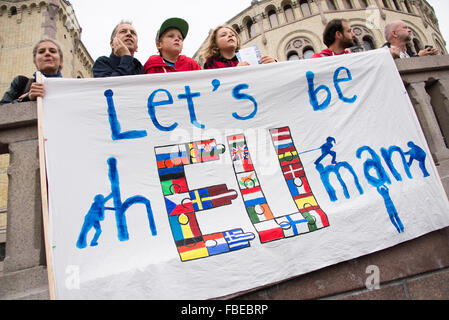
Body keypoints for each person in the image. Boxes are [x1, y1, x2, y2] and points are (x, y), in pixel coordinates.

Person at [0, 38, 63, 105]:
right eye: (41, 51)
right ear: (35, 61)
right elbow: (2, 109)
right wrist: (27, 98)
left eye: (52, 51)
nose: (47, 53)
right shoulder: (21, 83)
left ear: (61, 61)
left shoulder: (70, 89)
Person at [202, 25, 276, 69]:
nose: (230, 35)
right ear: (215, 44)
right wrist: (237, 72)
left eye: (233, 34)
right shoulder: (211, 63)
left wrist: (274, 64)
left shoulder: (251, 56)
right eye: (223, 35)